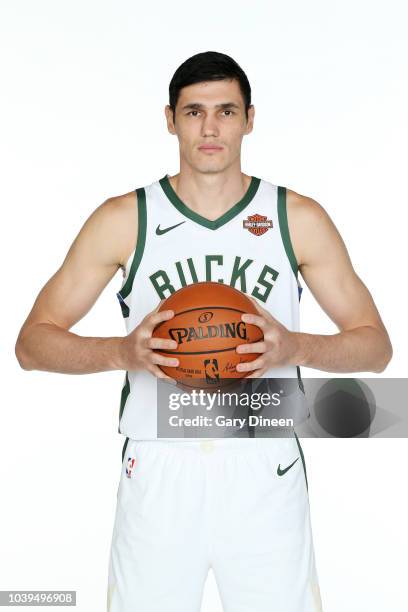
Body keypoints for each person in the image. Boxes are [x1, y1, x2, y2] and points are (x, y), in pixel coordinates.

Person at [15, 50, 392, 612]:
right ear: (170, 119)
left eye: (225, 111)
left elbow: (376, 346)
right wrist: (122, 350)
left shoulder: (296, 218)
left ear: (249, 118)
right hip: (159, 462)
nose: (211, 127)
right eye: (193, 112)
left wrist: (294, 346)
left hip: (264, 460)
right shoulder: (125, 218)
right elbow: (31, 343)